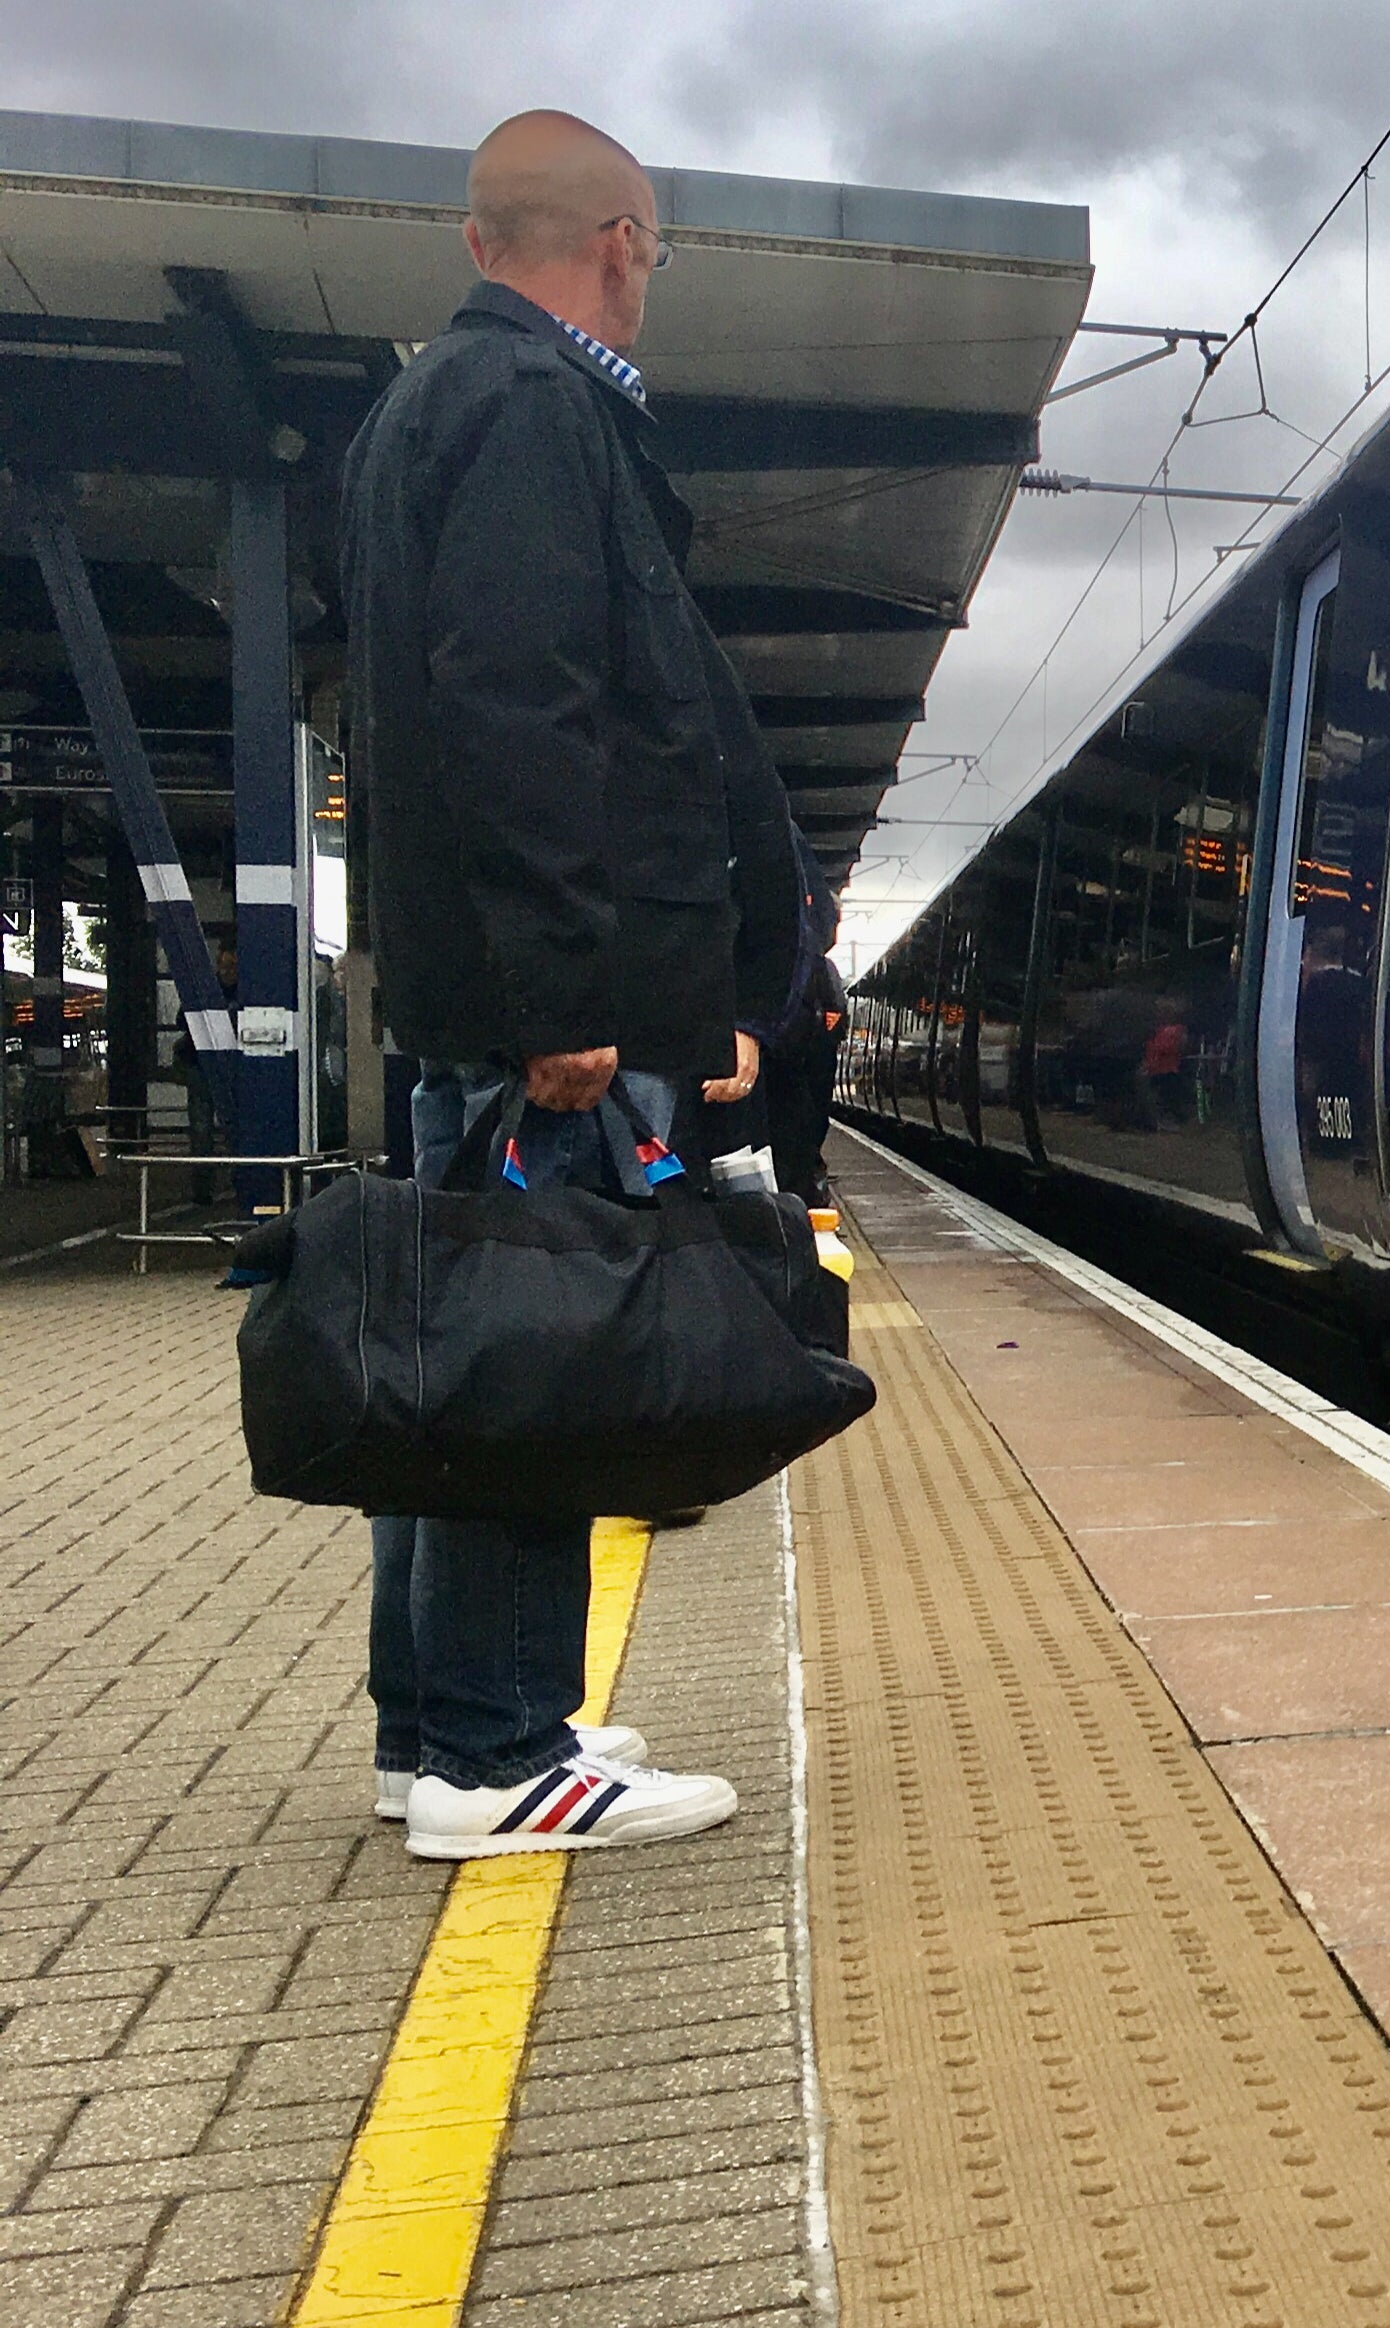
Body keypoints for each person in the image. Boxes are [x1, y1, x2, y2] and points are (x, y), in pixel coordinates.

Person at [340, 109, 796, 1860]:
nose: (650, 277)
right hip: (546, 1017)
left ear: (479, 244)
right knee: (528, 1363)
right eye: (655, 252)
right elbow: (522, 706)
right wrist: (561, 1001)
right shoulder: (539, 410)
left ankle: (434, 1728)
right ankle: (505, 1751)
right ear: (617, 242)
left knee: (465, 1355)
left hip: (486, 997)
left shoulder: (429, 404)